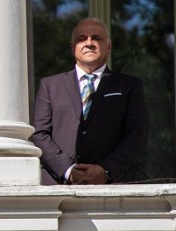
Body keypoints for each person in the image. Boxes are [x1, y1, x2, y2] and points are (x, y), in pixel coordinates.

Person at [31, 17, 148, 185]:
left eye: (96, 38)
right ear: (73, 48)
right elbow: (39, 134)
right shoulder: (50, 85)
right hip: (60, 188)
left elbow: (137, 134)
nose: (89, 43)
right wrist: (68, 170)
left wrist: (105, 170)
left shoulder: (129, 86)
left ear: (108, 46)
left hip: (115, 186)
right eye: (81, 38)